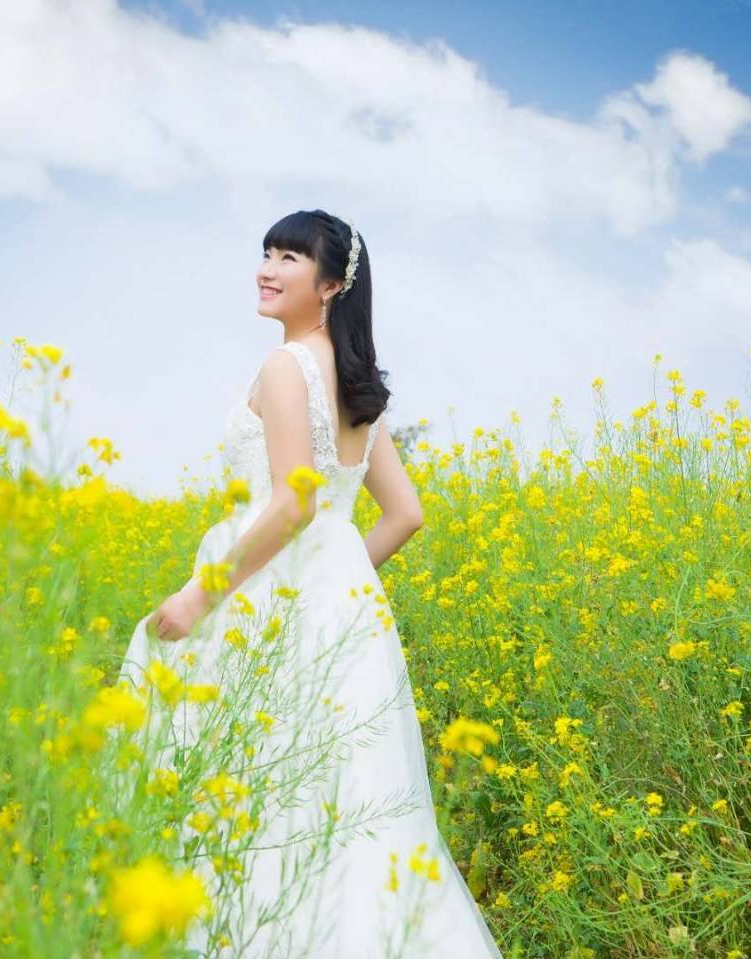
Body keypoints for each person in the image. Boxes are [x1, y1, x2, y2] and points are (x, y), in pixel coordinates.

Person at [117, 209, 503, 958]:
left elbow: (293, 502)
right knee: (340, 807)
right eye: (266, 253)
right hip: (340, 618)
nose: (267, 269)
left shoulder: (285, 366)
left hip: (256, 601)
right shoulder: (359, 388)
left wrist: (200, 594)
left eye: (288, 258)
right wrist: (336, 577)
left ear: (330, 285)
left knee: (251, 795)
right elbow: (405, 515)